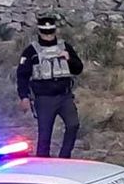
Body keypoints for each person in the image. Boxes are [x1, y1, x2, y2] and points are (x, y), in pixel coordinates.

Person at [16, 13, 84, 158]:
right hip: (44, 98)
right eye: (45, 33)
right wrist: (24, 97)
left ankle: (64, 158)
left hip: (64, 97)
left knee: (73, 125)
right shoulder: (31, 51)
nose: (48, 36)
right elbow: (22, 76)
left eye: (51, 32)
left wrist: (69, 58)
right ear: (40, 32)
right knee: (45, 135)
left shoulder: (65, 47)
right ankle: (43, 164)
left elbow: (78, 68)